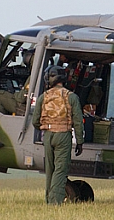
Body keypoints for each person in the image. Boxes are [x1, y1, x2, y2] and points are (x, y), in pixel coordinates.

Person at [31, 65, 84, 204]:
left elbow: (35, 120)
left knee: (50, 169)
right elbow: (78, 121)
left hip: (48, 135)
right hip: (63, 135)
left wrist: (45, 128)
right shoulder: (71, 97)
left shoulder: (44, 97)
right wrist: (79, 141)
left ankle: (49, 200)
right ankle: (55, 203)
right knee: (60, 170)